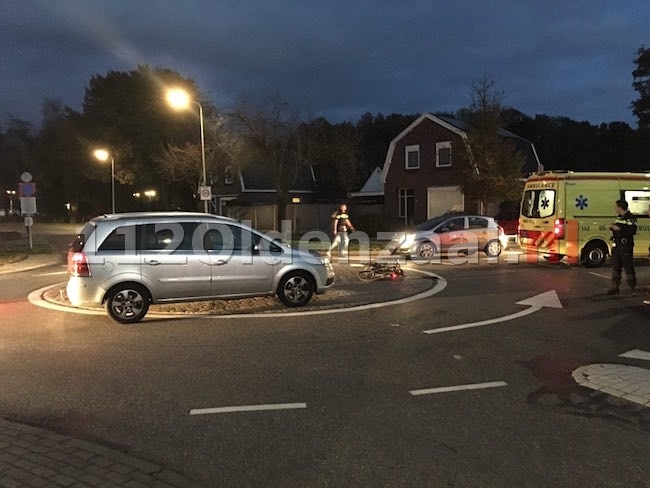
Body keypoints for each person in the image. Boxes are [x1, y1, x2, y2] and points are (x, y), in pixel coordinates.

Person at [606, 199, 637, 295]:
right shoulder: (618, 218)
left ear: (620, 207)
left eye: (616, 206)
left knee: (628, 267)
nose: (615, 208)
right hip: (617, 245)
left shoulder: (630, 218)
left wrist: (618, 229)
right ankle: (615, 288)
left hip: (626, 246)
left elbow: (632, 231)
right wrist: (612, 228)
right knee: (616, 267)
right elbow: (617, 230)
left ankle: (632, 289)